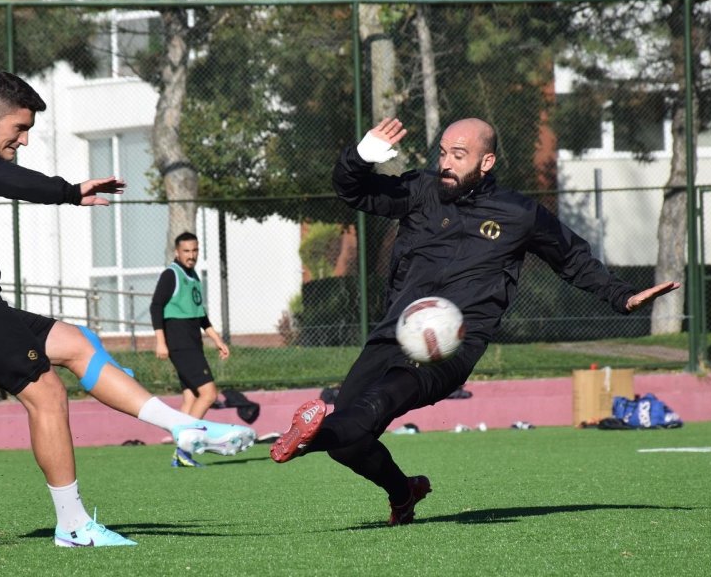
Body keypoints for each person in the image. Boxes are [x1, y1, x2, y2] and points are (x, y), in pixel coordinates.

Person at [0, 72, 255, 547]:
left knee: (78, 342)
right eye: (18, 130)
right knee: (48, 395)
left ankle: (184, 427)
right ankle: (74, 525)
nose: (23, 141)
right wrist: (66, 190)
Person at [270, 117, 680, 526]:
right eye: (444, 153)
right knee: (348, 442)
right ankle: (402, 492)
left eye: (459, 155)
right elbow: (352, 191)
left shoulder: (518, 214)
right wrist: (361, 157)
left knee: (375, 406)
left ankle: (307, 438)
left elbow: (571, 258)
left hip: (452, 346)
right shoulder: (420, 191)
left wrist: (622, 295)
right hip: (395, 332)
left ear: (486, 162)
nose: (446, 162)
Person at [150, 232, 230, 468]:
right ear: (177, 252)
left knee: (191, 398)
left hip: (193, 343)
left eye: (195, 250)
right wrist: (160, 341)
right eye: (186, 251)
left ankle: (181, 455)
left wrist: (216, 339)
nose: (191, 255)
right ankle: (184, 449)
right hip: (180, 344)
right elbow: (156, 306)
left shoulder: (193, 276)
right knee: (209, 394)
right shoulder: (171, 274)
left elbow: (200, 314)